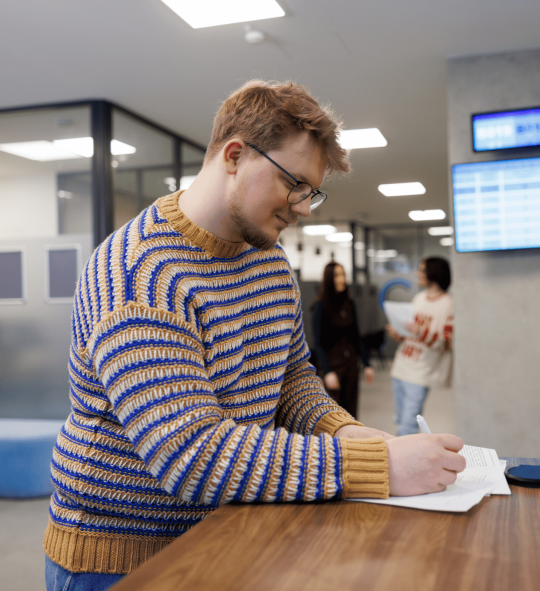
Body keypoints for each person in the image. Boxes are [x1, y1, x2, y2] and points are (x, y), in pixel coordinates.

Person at [43, 80, 466, 590]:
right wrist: (376, 465)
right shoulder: (139, 272)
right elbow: (192, 455)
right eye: (295, 184)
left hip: (228, 528)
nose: (304, 207)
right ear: (235, 156)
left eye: (312, 192)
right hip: (121, 557)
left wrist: (343, 431)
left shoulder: (268, 259)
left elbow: (290, 376)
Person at [386, 257, 453, 436]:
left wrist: (421, 331)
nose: (418, 274)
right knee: (399, 421)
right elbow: (410, 334)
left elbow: (446, 343)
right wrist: (398, 333)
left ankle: (403, 455)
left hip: (421, 373)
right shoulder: (418, 298)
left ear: (434, 273)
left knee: (407, 427)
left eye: (422, 270)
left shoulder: (448, 304)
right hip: (400, 367)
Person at [312, 262, 375, 417]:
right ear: (329, 279)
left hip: (351, 365)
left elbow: (356, 337)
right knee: (333, 415)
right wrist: (327, 372)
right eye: (336, 275)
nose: (341, 279)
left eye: (343, 275)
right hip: (333, 366)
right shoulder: (320, 306)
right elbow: (318, 343)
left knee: (351, 413)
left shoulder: (349, 303)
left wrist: (367, 364)